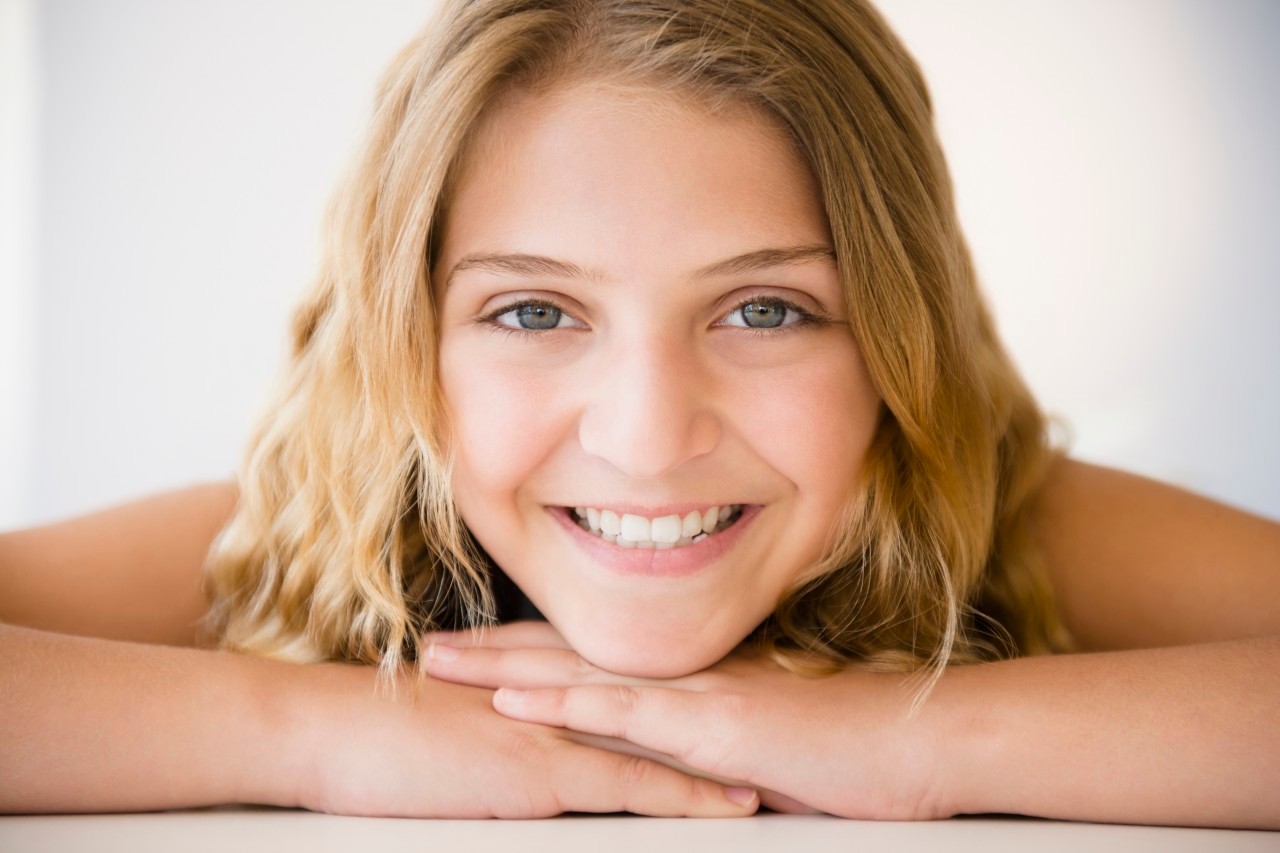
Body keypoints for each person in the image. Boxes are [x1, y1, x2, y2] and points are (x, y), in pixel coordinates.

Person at [2, 0, 1277, 826]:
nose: (646, 437)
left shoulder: (994, 512)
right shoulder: (337, 525)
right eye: (534, 313)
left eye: (765, 310)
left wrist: (910, 736)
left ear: (898, 340)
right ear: (406, 346)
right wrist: (315, 734)